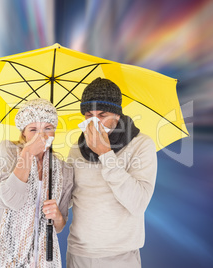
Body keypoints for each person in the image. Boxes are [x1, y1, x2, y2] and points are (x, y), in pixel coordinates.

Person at [66, 78, 157, 267]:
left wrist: (105, 154)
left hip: (120, 256)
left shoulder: (141, 145)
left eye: (102, 114)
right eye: (88, 115)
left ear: (117, 115)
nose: (94, 121)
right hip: (78, 253)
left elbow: (138, 203)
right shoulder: (77, 148)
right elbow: (68, 199)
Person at [0, 98, 74, 268]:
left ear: (54, 131)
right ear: (23, 132)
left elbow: (59, 226)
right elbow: (12, 200)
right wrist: (28, 153)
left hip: (43, 257)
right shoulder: (8, 151)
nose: (42, 136)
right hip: (8, 252)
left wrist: (57, 216)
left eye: (48, 128)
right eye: (33, 129)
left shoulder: (64, 170)